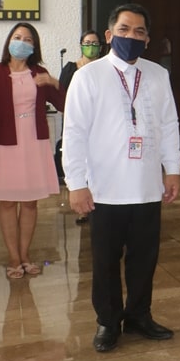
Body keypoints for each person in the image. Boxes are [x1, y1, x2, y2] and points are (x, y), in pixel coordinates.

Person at [62, 3, 180, 353]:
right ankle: (108, 321)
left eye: (140, 32)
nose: (132, 36)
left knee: (145, 257)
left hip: (146, 186)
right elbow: (74, 133)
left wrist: (172, 169)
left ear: (147, 40)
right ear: (109, 34)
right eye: (125, 29)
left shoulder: (158, 75)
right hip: (104, 188)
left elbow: (169, 124)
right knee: (105, 260)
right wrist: (77, 183)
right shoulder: (89, 76)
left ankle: (139, 315)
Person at [0, 22, 64, 279]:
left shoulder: (39, 73)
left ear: (34, 46)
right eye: (17, 37)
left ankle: (25, 255)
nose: (22, 42)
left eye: (28, 39)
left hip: (34, 145)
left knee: (29, 203)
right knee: (7, 202)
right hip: (4, 146)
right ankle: (13, 258)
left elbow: (64, 104)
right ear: (9, 41)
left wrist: (52, 81)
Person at [56, 30, 102, 220]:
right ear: (81, 44)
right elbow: (62, 97)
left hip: (100, 127)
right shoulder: (70, 68)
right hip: (78, 124)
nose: (91, 46)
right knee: (80, 164)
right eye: (87, 42)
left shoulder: (104, 68)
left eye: (94, 43)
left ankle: (98, 203)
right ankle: (84, 207)